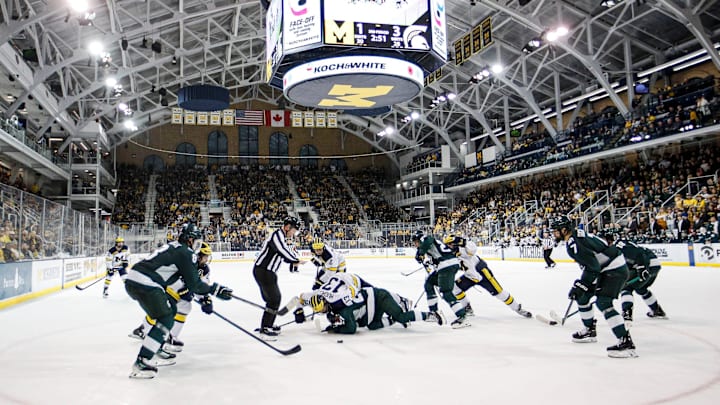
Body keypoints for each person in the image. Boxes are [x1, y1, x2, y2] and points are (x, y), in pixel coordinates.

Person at [124, 223, 233, 378]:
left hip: (138, 279)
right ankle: (143, 361)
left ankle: (156, 346)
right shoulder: (186, 253)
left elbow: (186, 283)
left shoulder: (176, 248)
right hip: (145, 282)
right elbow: (195, 284)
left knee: (172, 310)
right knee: (166, 316)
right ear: (189, 239)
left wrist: (204, 295)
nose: (197, 245)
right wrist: (215, 289)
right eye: (196, 241)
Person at [550, 216, 637, 358]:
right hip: (606, 268)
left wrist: (582, 284)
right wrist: (582, 286)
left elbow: (593, 267)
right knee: (583, 296)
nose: (554, 233)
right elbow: (593, 265)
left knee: (603, 302)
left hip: (614, 269)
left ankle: (626, 343)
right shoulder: (575, 238)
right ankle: (589, 330)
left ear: (564, 229)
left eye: (556, 230)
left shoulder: (575, 243)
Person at [129, 242, 216, 352]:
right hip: (165, 289)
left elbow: (201, 284)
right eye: (205, 256)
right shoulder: (186, 262)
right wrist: (182, 289)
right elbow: (171, 278)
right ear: (198, 255)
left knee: (185, 307)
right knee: (165, 310)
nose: (206, 259)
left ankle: (168, 336)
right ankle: (145, 330)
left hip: (176, 292)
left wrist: (205, 298)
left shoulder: (204, 269)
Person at [297, 274, 441, 334]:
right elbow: (301, 297)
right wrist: (299, 310)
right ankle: (393, 317)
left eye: (323, 309)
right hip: (362, 296)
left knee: (401, 316)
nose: (323, 312)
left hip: (369, 292)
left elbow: (352, 325)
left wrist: (336, 327)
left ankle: (431, 314)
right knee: (373, 325)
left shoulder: (342, 301)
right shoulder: (318, 296)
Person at [443, 235, 531, 319]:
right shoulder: (449, 255)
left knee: (499, 293)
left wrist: (464, 242)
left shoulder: (463, 247)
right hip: (470, 276)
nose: (448, 247)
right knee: (455, 288)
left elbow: (473, 249)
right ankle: (467, 307)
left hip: (482, 272)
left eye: (449, 245)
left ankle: (517, 308)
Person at [253, 216, 307, 340]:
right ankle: (266, 327)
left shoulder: (282, 237)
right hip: (264, 271)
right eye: (294, 230)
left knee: (272, 300)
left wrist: (293, 261)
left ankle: (268, 325)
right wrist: (295, 260)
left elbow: (284, 253)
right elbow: (281, 250)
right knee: (274, 299)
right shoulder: (277, 235)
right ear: (288, 227)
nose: (294, 234)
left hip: (268, 272)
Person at [601, 232, 666, 324]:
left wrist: (642, 267)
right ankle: (656, 310)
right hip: (654, 265)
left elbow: (638, 253)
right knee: (641, 288)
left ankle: (627, 313)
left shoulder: (619, 245)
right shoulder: (616, 248)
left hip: (648, 265)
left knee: (626, 288)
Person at [412, 230, 466, 328]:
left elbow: (428, 241)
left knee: (446, 292)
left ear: (419, 239)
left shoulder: (426, 239)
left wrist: (420, 253)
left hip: (447, 265)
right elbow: (435, 255)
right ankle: (434, 312)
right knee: (429, 283)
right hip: (446, 265)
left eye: (415, 242)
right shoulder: (429, 244)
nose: (415, 245)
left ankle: (462, 316)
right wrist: (424, 258)